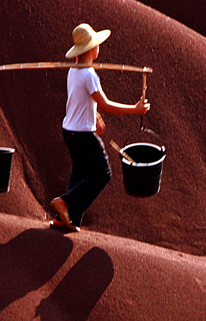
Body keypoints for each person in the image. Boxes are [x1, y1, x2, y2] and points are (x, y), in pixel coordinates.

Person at [50, 23, 150, 231]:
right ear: (91, 50)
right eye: (96, 44)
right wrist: (136, 109)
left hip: (70, 131)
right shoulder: (89, 75)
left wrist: (94, 115)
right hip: (83, 135)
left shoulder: (74, 71)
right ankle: (64, 201)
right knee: (102, 173)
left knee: (81, 173)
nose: (98, 47)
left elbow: (81, 99)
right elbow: (105, 104)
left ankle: (66, 219)